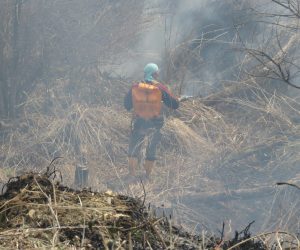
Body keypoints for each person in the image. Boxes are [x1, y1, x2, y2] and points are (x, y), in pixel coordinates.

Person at [124, 63, 180, 179]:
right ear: (155, 74)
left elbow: (127, 105)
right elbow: (175, 104)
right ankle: (147, 175)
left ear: (145, 73)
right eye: (157, 73)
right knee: (152, 147)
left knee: (134, 147)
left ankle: (131, 174)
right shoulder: (160, 88)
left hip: (139, 122)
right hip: (156, 123)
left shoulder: (135, 86)